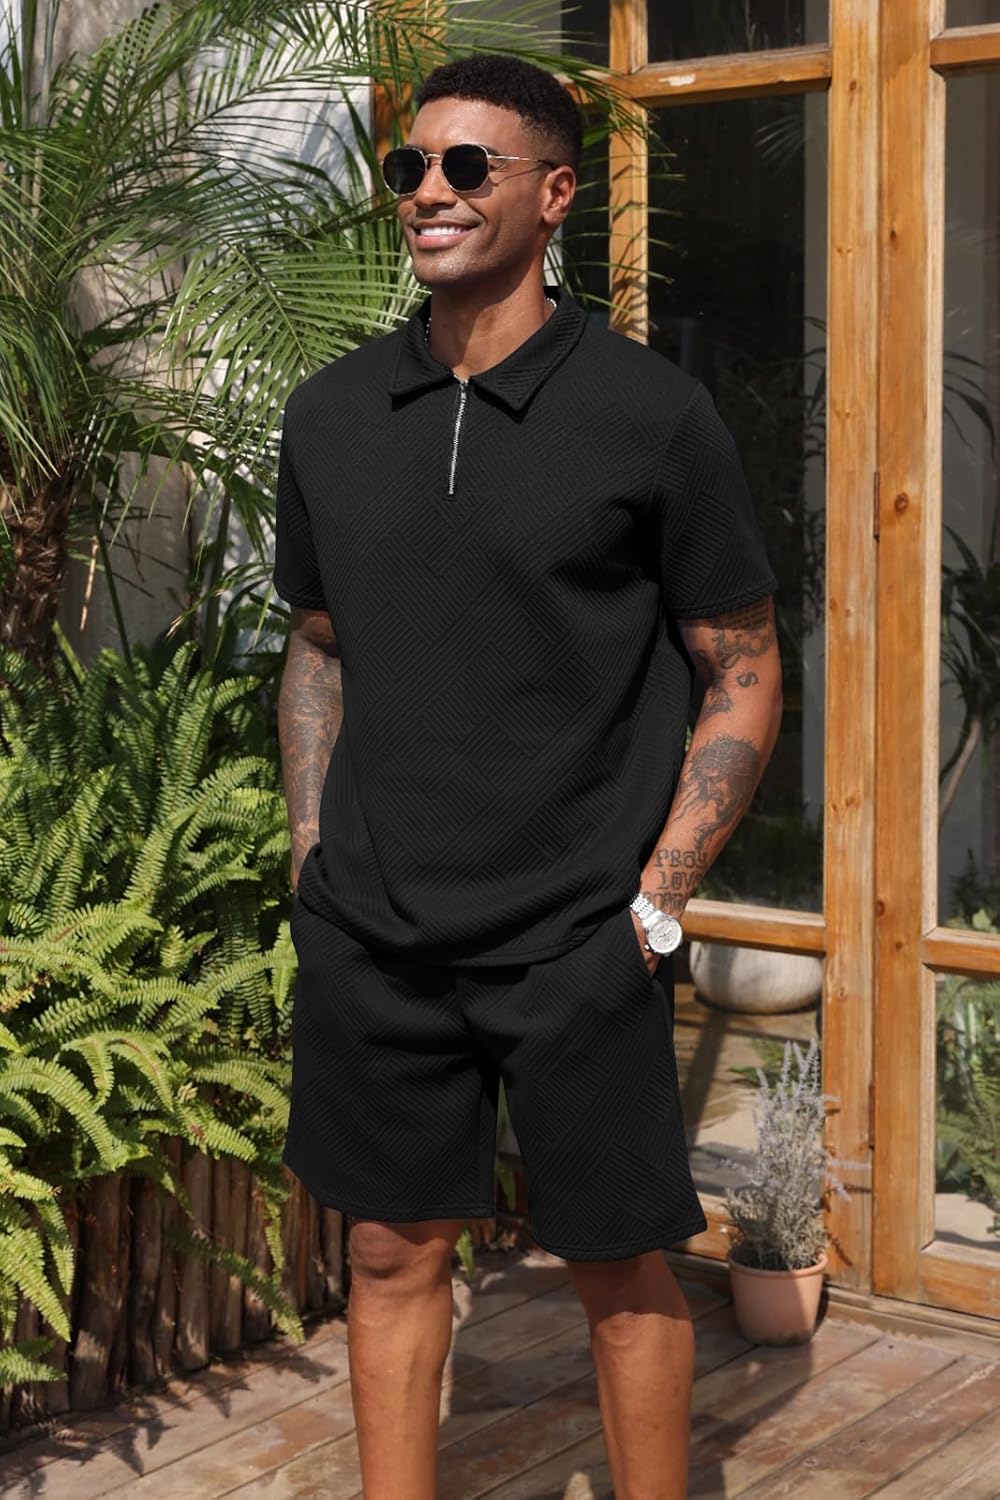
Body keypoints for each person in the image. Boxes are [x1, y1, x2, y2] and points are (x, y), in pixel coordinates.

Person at [272, 52, 781, 1500]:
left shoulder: (648, 416)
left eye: (467, 166)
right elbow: (318, 644)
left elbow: (743, 662)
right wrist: (311, 847)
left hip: (580, 933)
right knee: (388, 1251)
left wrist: (660, 893)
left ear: (556, 194)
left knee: (619, 1265)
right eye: (409, 167)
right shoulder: (328, 413)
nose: (428, 192)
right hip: (378, 928)